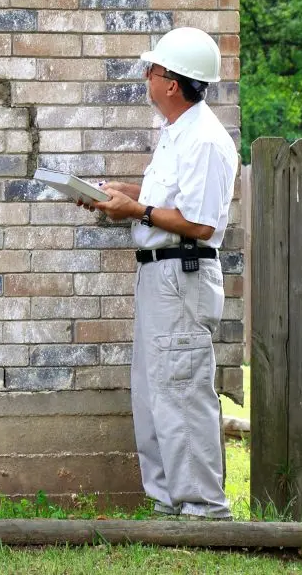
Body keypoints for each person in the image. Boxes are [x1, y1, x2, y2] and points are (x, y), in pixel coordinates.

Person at [84, 26, 238, 520]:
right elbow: (170, 199)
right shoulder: (178, 135)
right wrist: (123, 193)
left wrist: (137, 212)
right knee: (155, 389)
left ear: (172, 83)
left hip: (182, 274)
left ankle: (204, 509)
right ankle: (169, 503)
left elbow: (200, 222)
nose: (146, 77)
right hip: (160, 276)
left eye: (152, 70)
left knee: (181, 387)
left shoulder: (206, 141)